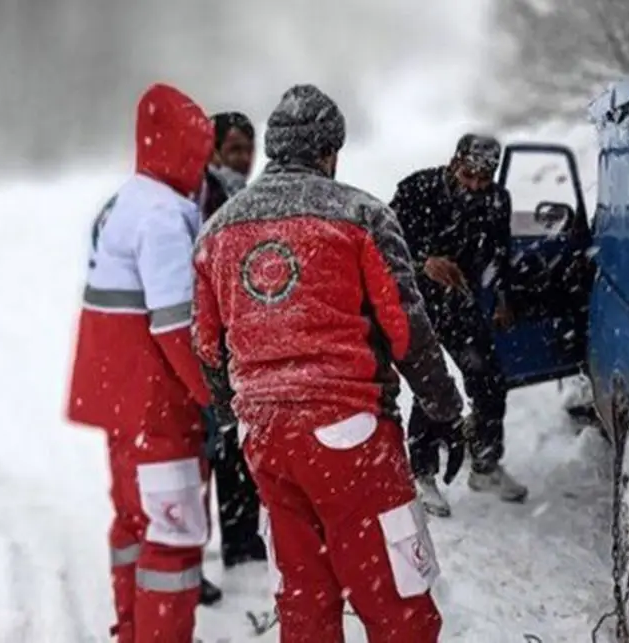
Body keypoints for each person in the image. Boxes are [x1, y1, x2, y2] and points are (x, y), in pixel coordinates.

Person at [192, 84, 465, 643]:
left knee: (306, 601)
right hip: (350, 436)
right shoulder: (359, 215)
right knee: (398, 603)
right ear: (329, 152)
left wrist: (229, 409)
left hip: (266, 439)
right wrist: (443, 406)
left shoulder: (216, 232)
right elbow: (406, 328)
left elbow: (208, 343)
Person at [66, 83, 216, 643]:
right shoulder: (161, 217)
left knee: (134, 522)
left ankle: (133, 630)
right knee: (173, 537)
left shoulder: (120, 204)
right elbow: (175, 324)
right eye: (198, 153)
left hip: (119, 401)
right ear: (180, 149)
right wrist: (212, 395)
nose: (202, 168)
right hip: (159, 407)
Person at [389, 134, 529, 518]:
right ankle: (422, 471)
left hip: (461, 297)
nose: (475, 186)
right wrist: (424, 263)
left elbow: (500, 252)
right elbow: (383, 249)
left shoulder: (497, 200)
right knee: (431, 382)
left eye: (484, 179)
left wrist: (502, 298)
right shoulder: (418, 189)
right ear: (454, 163)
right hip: (416, 300)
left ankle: (485, 463)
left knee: (489, 376)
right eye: (469, 175)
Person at [199, 111, 269, 570]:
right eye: (235, 149)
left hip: (241, 334)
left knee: (240, 436)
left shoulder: (244, 193)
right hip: (217, 335)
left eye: (249, 149)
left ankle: (244, 537)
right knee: (224, 440)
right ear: (214, 150)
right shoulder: (207, 195)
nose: (244, 159)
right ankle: (238, 543)